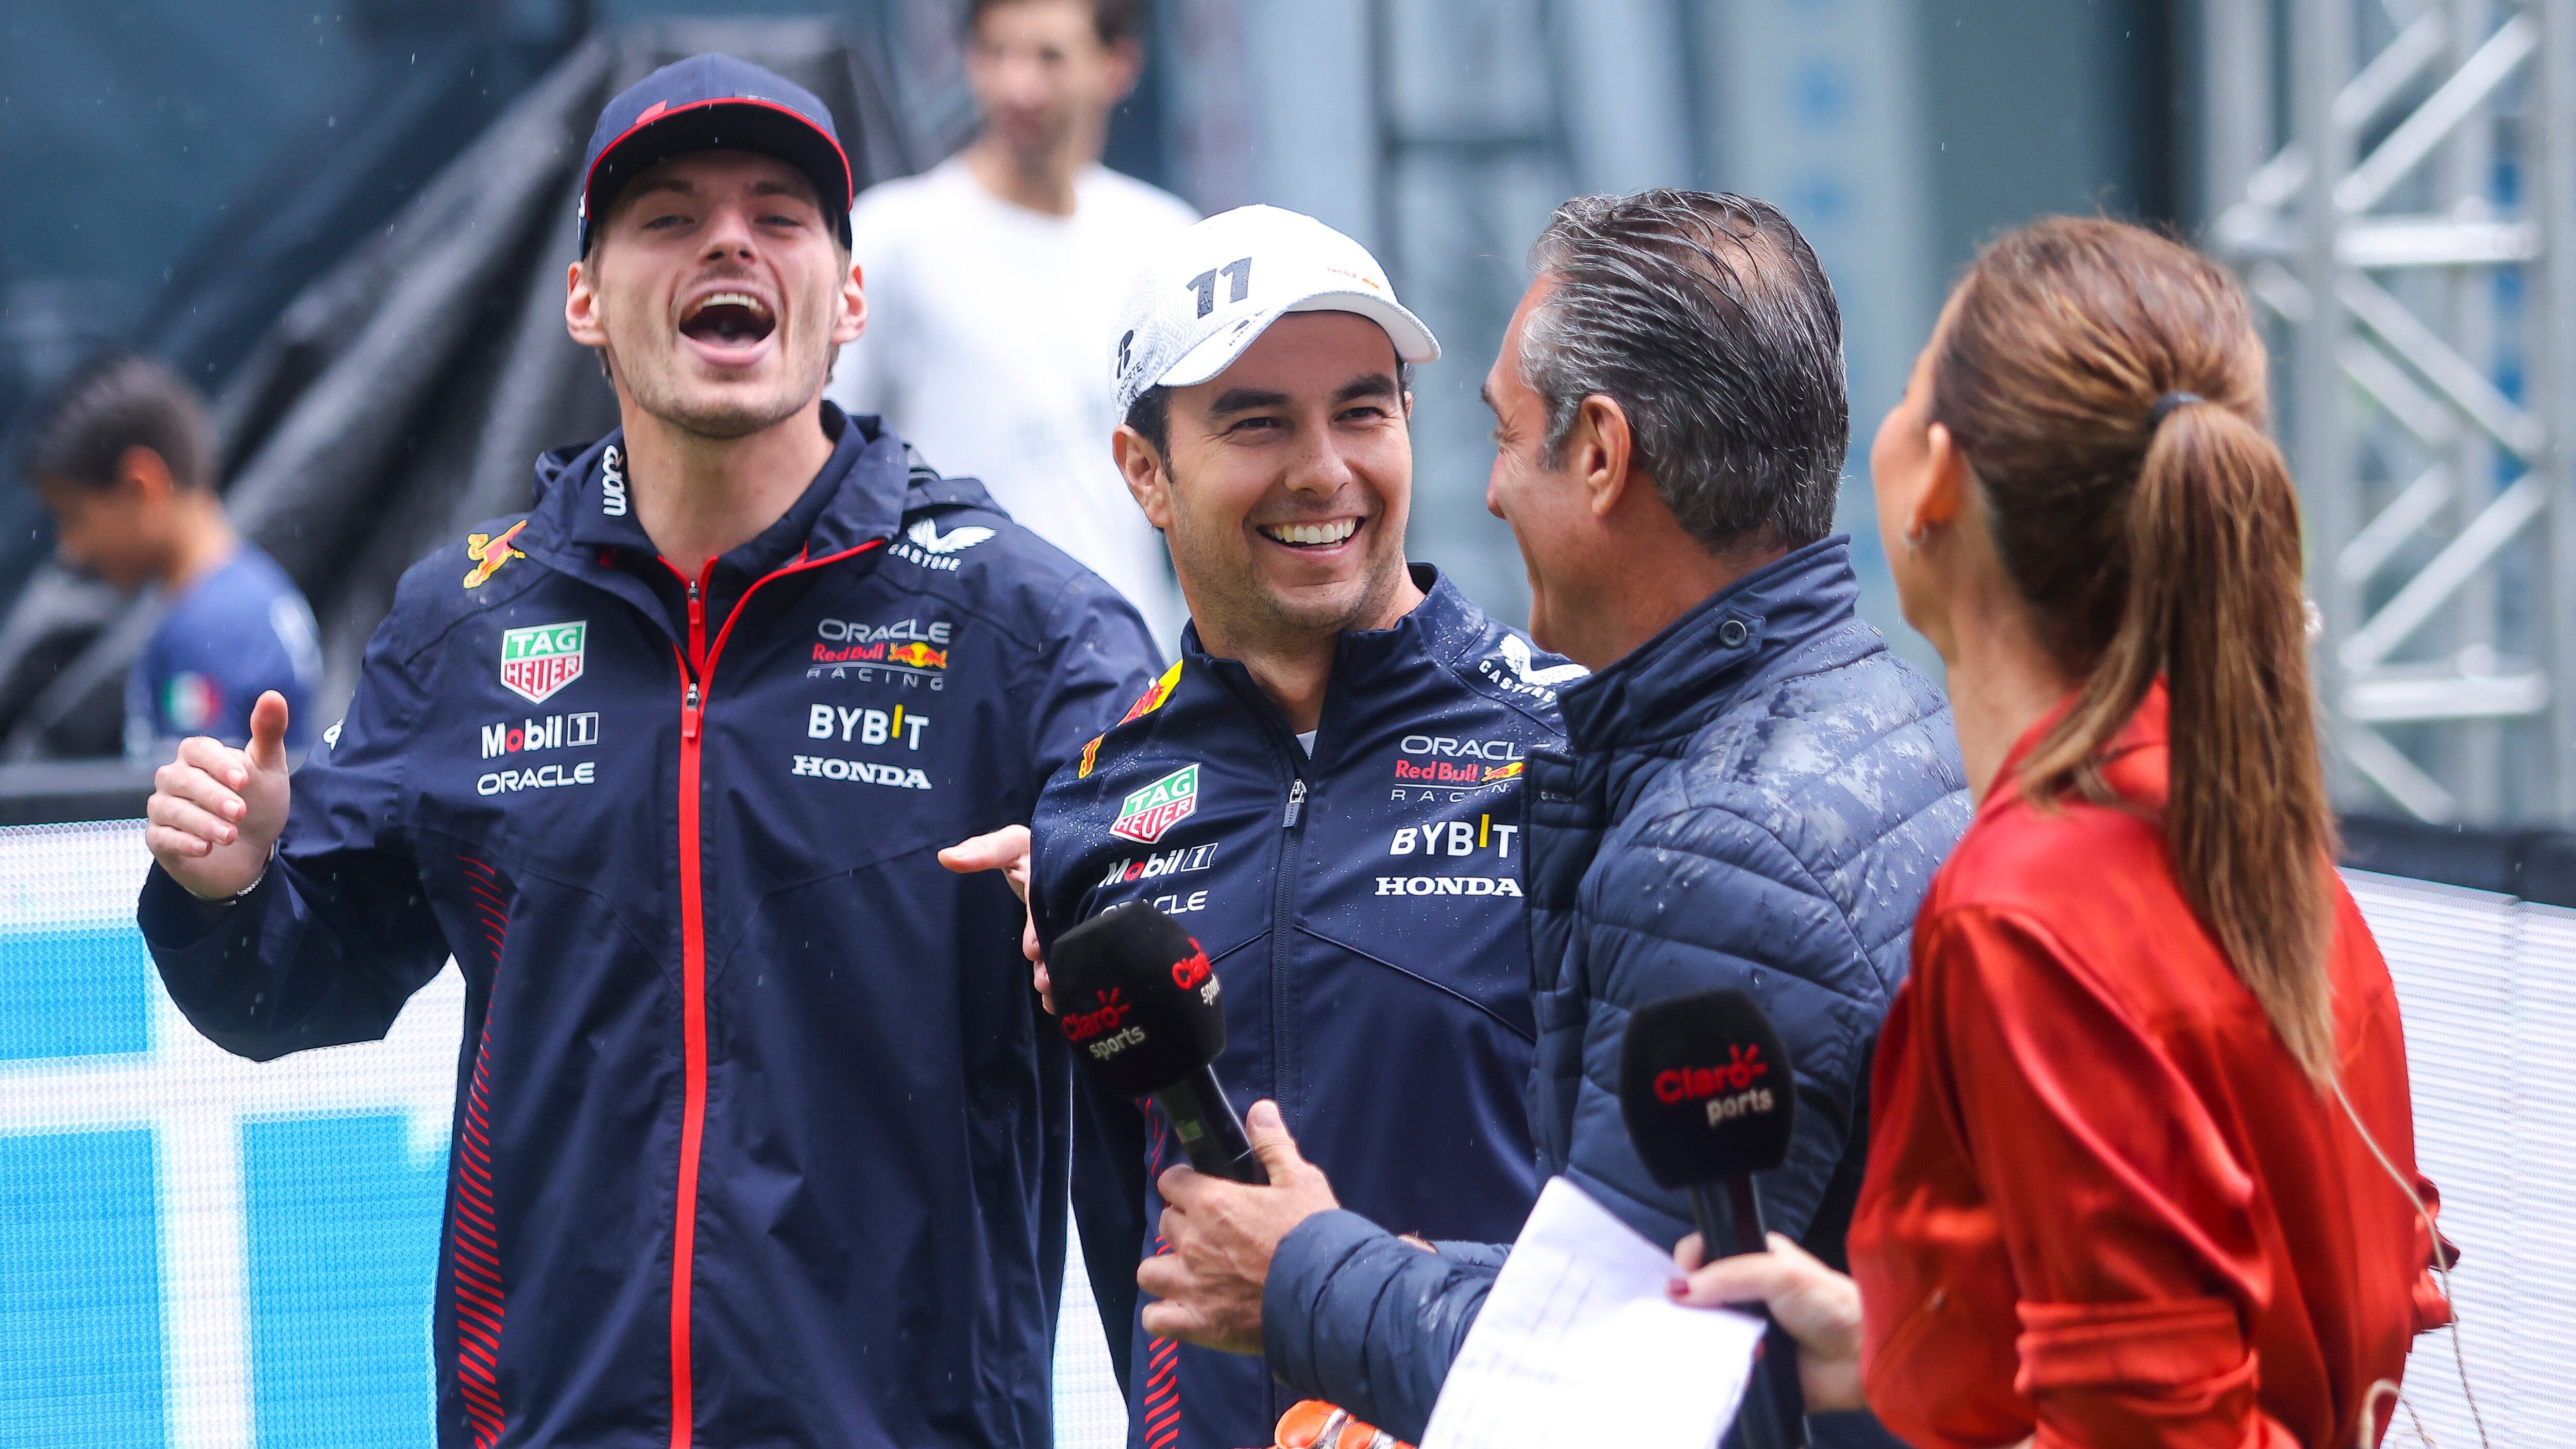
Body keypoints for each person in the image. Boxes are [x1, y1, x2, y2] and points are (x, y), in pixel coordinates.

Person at [134, 56, 1160, 1448]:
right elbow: (292, 986)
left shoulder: (1019, 627)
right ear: (585, 301)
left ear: (848, 299)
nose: (729, 239)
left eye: (780, 215)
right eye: (670, 216)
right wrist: (228, 886)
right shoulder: (462, 626)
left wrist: (1112, 907)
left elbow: (1185, 964)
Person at [1122, 190, 1972, 1443]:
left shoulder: (1719, 846)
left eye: (1506, 435)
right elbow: (1723, 1301)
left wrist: (1305, 1271)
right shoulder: (1877, 714)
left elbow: (1624, 1387)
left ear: (1601, 454)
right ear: (1142, 471)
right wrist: (1424, 1273)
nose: (1491, 488)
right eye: (1253, 421)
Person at [1671, 218, 2454, 1446]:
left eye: (1912, 384)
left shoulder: (2026, 913)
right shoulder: (2249, 838)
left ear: (1937, 479)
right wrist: (1899, 1338)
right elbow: (2211, 1320)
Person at [950, 203, 1580, 1449]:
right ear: (1145, 472)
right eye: (1256, 422)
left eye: (1362, 409)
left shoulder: (1571, 750)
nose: (1323, 469)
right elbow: (1126, 1240)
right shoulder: (1088, 814)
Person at [828, 0, 1196, 645]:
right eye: (995, 54)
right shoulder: (894, 239)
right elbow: (825, 462)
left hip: (1135, 667)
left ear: (1118, 64)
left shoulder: (1162, 239)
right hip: (952, 665)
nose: (1016, 85)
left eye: (1048, 58)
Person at [21, 352, 321, 763]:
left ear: (138, 487)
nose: (71, 548)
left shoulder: (209, 629)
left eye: (74, 516)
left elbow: (211, 815)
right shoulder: (251, 589)